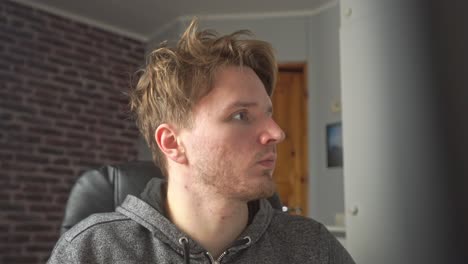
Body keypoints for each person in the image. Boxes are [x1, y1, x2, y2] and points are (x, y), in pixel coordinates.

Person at [48, 19, 355, 264]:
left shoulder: (312, 248)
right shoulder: (90, 252)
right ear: (172, 142)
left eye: (269, 114)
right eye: (240, 115)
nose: (276, 133)